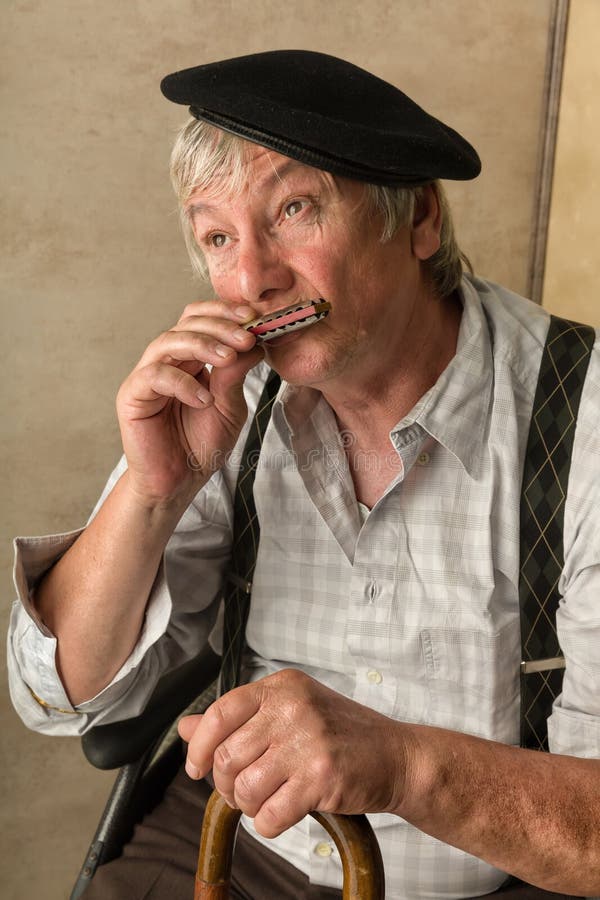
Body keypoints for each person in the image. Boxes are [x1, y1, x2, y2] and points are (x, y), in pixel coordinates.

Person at [7, 50, 600, 899]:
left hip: (500, 878)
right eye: (217, 236)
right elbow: (59, 694)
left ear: (420, 218)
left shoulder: (584, 420)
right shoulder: (229, 402)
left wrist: (402, 766)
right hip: (240, 845)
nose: (251, 279)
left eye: (294, 209)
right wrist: (154, 489)